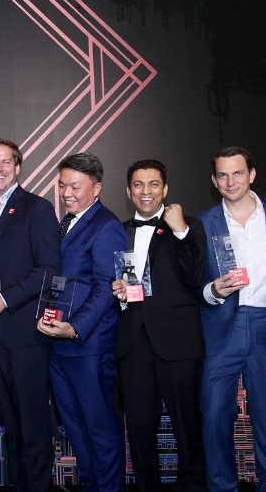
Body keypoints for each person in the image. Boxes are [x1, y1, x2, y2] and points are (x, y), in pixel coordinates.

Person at [0, 138, 62, 492]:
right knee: (11, 424)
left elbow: (49, 270)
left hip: (26, 336)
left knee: (34, 427)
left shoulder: (36, 208)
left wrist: (3, 300)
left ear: (18, 168)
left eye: (6, 162)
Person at [195, 146, 266, 492]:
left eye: (237, 173)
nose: (230, 181)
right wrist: (212, 291)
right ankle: (223, 487)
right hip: (221, 327)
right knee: (215, 416)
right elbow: (189, 286)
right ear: (214, 181)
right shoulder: (201, 224)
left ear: (251, 175)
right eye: (222, 175)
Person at [112, 159, 208, 492]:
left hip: (178, 343)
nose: (146, 191)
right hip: (133, 343)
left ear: (165, 189)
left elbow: (197, 277)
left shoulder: (190, 226)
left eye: (154, 184)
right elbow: (116, 287)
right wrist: (119, 295)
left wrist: (179, 230)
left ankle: (194, 488)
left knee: (187, 427)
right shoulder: (118, 231)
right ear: (128, 191)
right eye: (138, 184)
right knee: (138, 430)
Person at [36, 153, 127, 492]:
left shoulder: (107, 225)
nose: (66, 193)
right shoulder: (64, 224)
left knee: (100, 430)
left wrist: (75, 327)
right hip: (57, 346)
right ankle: (92, 485)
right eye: (62, 185)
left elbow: (106, 287)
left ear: (97, 187)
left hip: (88, 347)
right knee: (74, 428)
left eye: (75, 186)